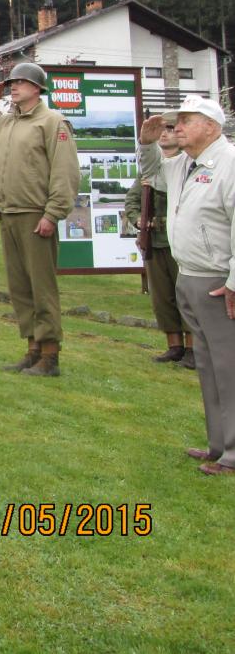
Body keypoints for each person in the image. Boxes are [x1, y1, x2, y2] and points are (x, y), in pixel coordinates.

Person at [0, 62, 80, 376]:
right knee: (20, 288)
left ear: (37, 88)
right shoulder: (2, 123)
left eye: (21, 82)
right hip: (7, 212)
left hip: (36, 214)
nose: (13, 86)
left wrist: (52, 214)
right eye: (11, 82)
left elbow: (65, 172)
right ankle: (32, 349)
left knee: (41, 286)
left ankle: (50, 355)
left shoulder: (52, 122)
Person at [138, 95, 235, 476]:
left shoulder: (229, 163)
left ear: (211, 126)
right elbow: (152, 173)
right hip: (190, 274)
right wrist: (147, 143)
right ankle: (218, 445)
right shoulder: (184, 164)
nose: (176, 127)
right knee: (208, 366)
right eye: (175, 121)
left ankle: (233, 454)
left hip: (218, 280)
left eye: (186, 120)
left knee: (228, 366)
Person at [123, 114, 193, 368]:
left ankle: (193, 348)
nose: (165, 133)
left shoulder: (187, 165)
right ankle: (174, 346)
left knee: (186, 295)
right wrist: (139, 221)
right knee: (162, 297)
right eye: (162, 130)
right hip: (154, 241)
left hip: (179, 241)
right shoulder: (149, 169)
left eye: (171, 129)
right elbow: (132, 200)